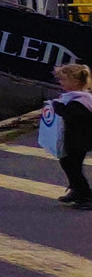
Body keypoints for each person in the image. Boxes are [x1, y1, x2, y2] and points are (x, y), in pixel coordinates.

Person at [51, 63, 92, 209]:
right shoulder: (76, 97)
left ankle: (86, 194)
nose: (60, 83)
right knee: (68, 163)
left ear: (74, 82)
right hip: (75, 138)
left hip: (80, 140)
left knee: (72, 165)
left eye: (63, 80)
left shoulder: (80, 101)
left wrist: (56, 106)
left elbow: (70, 115)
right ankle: (77, 189)